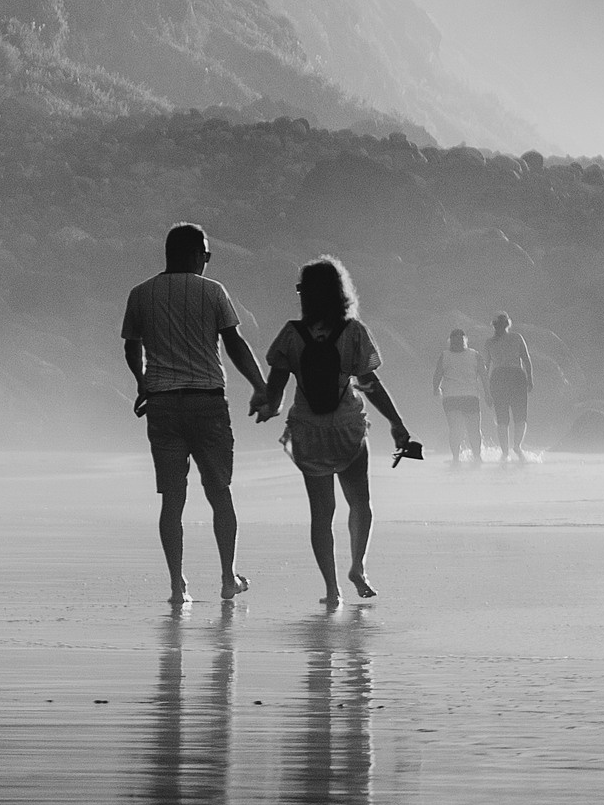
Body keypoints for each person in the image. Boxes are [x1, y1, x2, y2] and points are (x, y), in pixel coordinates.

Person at [255, 256, 421, 607]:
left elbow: (276, 388)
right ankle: (358, 567)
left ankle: (332, 590)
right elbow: (369, 383)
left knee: (321, 513)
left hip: (308, 433)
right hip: (346, 428)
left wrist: (268, 406)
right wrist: (396, 422)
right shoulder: (353, 332)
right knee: (360, 502)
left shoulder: (291, 334)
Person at [121, 220, 268, 610]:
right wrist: (260, 385)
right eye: (205, 253)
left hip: (164, 405)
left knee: (172, 499)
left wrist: (142, 382)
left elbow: (131, 347)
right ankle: (227, 577)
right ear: (192, 254)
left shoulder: (141, 294)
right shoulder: (213, 292)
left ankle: (177, 584)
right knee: (219, 491)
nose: (207, 259)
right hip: (207, 403)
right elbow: (234, 344)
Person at [434, 323, 487, 465]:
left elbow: (483, 375)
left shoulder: (472, 355)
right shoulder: (450, 355)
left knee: (465, 429)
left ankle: (465, 457)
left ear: (464, 340)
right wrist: (436, 389)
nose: (457, 343)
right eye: (455, 340)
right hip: (460, 397)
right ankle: (468, 457)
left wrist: (436, 389)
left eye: (459, 340)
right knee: (466, 429)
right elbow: (437, 375)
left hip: (462, 397)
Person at [486, 311, 534, 462]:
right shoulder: (491, 342)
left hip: (512, 376)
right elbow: (486, 367)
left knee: (517, 416)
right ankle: (507, 451)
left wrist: (530, 378)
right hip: (503, 377)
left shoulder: (515, 337)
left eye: (501, 324)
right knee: (505, 417)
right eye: (498, 325)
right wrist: (487, 390)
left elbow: (526, 359)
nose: (500, 327)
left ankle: (514, 448)